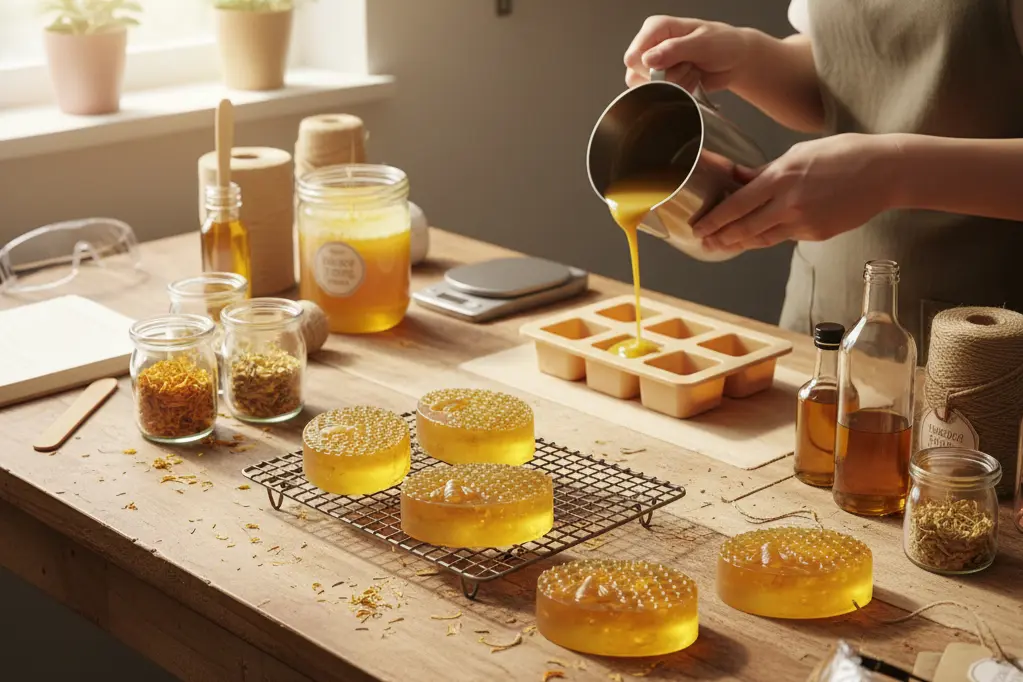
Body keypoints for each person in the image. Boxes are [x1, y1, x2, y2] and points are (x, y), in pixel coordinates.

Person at [623, 0, 1023, 359]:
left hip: (977, 339)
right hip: (823, 316)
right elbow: (847, 74)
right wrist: (750, 56)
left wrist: (893, 173)